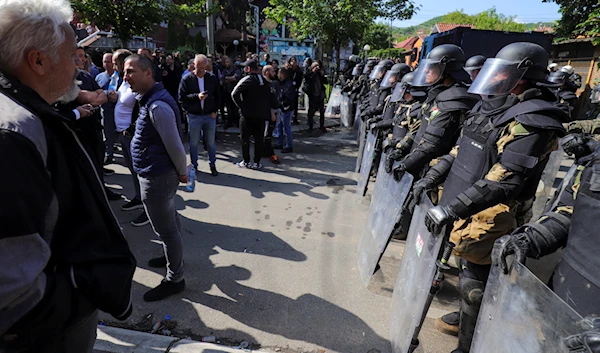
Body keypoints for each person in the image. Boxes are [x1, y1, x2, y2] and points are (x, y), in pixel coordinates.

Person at [0, 0, 136, 351]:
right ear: (38, 60)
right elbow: (12, 285)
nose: (80, 64)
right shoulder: (13, 134)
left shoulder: (27, 115)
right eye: (72, 53)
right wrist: (80, 294)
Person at [417, 42, 569, 353]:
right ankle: (468, 318)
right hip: (467, 200)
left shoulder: (533, 120)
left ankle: (468, 346)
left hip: (495, 210)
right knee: (464, 271)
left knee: (475, 280)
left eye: (503, 73)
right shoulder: (495, 106)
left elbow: (505, 180)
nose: (495, 79)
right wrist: (433, 176)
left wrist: (452, 208)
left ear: (523, 76)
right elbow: (463, 151)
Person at [124, 54, 188, 301]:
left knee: (166, 230)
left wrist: (183, 172)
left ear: (148, 73)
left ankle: (175, 278)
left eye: (131, 72)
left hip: (157, 176)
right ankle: (172, 257)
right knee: (169, 222)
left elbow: (175, 146)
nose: (125, 77)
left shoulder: (157, 106)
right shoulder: (150, 100)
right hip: (155, 172)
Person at [111, 49, 150, 226]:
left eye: (115, 63)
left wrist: (132, 129)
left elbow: (144, 109)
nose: (114, 67)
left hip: (132, 135)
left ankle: (148, 209)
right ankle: (138, 198)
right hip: (123, 134)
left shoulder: (139, 83)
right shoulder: (124, 81)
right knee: (132, 171)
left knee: (141, 172)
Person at [178, 54, 221, 176]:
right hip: (194, 115)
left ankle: (212, 164)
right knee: (194, 142)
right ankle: (194, 165)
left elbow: (218, 96)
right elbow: (182, 98)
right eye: (198, 67)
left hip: (209, 115)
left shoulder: (211, 78)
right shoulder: (187, 79)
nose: (201, 70)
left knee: (211, 142)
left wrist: (215, 110)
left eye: (203, 67)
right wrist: (196, 97)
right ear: (193, 65)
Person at [232, 59, 278, 169]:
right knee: (259, 139)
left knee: (245, 138)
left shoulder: (247, 79)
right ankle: (257, 162)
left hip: (247, 115)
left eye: (245, 67)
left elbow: (234, 93)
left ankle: (246, 161)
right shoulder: (265, 82)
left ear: (248, 69)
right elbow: (273, 99)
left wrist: (242, 106)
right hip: (261, 115)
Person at [95, 52, 119, 164]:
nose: (107, 64)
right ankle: (109, 154)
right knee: (107, 132)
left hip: (119, 110)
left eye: (109, 62)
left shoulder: (119, 77)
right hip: (106, 110)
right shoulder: (99, 77)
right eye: (105, 62)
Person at [262, 65, 280, 164]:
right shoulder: (264, 85)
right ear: (267, 73)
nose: (275, 73)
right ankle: (271, 154)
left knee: (269, 133)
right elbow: (265, 101)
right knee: (267, 135)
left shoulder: (272, 84)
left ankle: (264, 151)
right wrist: (271, 112)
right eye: (273, 72)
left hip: (274, 111)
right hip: (269, 113)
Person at [302, 62, 327, 132]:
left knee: (322, 112)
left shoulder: (320, 74)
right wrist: (313, 72)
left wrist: (322, 74)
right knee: (311, 112)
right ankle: (310, 127)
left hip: (320, 95)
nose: (317, 68)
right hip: (313, 95)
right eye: (316, 66)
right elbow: (306, 78)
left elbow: (326, 82)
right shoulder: (309, 73)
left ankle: (321, 126)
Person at [276, 67, 296, 153]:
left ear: (282, 74)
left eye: (279, 73)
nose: (277, 75)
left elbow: (289, 97)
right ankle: (280, 142)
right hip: (282, 108)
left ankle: (289, 145)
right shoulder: (282, 83)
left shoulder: (288, 84)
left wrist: (283, 104)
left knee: (286, 127)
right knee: (280, 126)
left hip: (286, 108)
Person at [222, 55, 242, 129]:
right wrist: (229, 78)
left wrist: (227, 78)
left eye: (228, 62)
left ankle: (236, 121)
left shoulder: (236, 70)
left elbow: (236, 78)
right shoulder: (224, 71)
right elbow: (222, 79)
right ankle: (229, 121)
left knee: (235, 107)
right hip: (226, 91)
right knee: (228, 107)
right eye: (225, 62)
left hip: (234, 91)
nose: (226, 63)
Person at [286, 56, 303, 125]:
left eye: (295, 61)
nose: (293, 63)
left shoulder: (298, 71)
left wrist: (297, 87)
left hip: (295, 88)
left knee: (295, 104)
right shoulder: (288, 70)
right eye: (292, 61)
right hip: (289, 89)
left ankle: (295, 118)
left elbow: (300, 79)